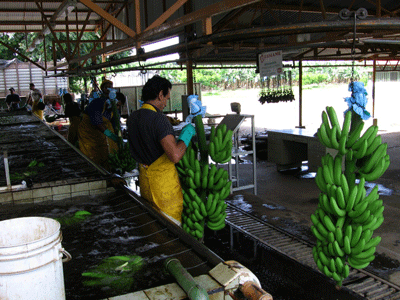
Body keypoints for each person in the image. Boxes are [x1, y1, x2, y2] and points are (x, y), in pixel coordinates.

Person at [126, 75, 196, 225]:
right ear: (160, 95)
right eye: (166, 98)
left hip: (145, 183)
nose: (166, 103)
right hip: (164, 190)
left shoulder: (133, 117)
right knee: (170, 232)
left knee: (153, 226)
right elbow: (175, 155)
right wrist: (186, 135)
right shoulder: (159, 119)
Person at [77, 79, 121, 171]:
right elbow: (97, 123)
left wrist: (118, 134)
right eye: (108, 88)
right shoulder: (97, 103)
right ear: (103, 89)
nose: (110, 90)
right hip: (88, 135)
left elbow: (114, 122)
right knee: (91, 158)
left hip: (100, 135)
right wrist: (110, 135)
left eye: (112, 88)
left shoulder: (111, 104)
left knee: (103, 154)